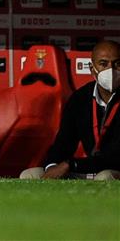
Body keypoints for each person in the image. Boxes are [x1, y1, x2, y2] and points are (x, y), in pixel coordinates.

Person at [20, 40, 120, 181]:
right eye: (103, 64)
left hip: (112, 170)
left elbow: (116, 156)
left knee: (105, 177)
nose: (111, 70)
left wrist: (72, 164)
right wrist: (52, 166)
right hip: (86, 168)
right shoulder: (80, 97)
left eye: (117, 64)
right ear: (92, 69)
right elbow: (63, 142)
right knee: (30, 175)